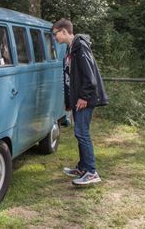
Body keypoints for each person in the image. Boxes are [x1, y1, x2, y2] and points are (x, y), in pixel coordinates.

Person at [52, 18, 108, 186]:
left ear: (63, 31)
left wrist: (83, 97)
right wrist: (69, 101)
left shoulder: (80, 46)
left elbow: (90, 77)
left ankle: (91, 172)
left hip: (85, 99)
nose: (55, 38)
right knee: (80, 133)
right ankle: (82, 168)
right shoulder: (71, 49)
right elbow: (71, 78)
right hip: (77, 100)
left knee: (82, 133)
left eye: (55, 34)